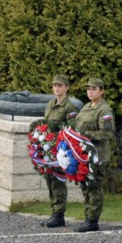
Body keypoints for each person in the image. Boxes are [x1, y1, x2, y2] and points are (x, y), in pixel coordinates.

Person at [72, 77, 116, 232]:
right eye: (88, 89)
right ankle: (88, 217)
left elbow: (107, 133)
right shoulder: (86, 107)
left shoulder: (104, 110)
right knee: (86, 187)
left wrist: (86, 134)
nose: (90, 92)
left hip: (98, 156)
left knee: (94, 187)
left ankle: (92, 221)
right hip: (85, 155)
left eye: (94, 89)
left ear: (101, 91)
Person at [40, 74, 78, 228]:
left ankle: (59, 214)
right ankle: (54, 212)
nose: (56, 88)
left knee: (58, 180)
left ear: (66, 88)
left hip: (61, 148)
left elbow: (72, 129)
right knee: (50, 179)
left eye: (60, 85)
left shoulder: (70, 107)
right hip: (49, 148)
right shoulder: (50, 104)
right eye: (55, 85)